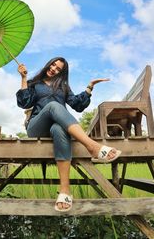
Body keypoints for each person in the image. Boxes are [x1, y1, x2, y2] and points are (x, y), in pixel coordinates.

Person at [16, 57, 121, 212]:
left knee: (59, 128)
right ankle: (92, 146)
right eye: (53, 65)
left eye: (58, 69)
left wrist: (89, 87)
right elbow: (24, 103)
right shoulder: (35, 83)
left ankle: (65, 191)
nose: (54, 69)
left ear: (62, 72)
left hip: (55, 129)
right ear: (48, 64)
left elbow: (77, 104)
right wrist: (24, 78)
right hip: (36, 128)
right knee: (53, 106)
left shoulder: (63, 86)